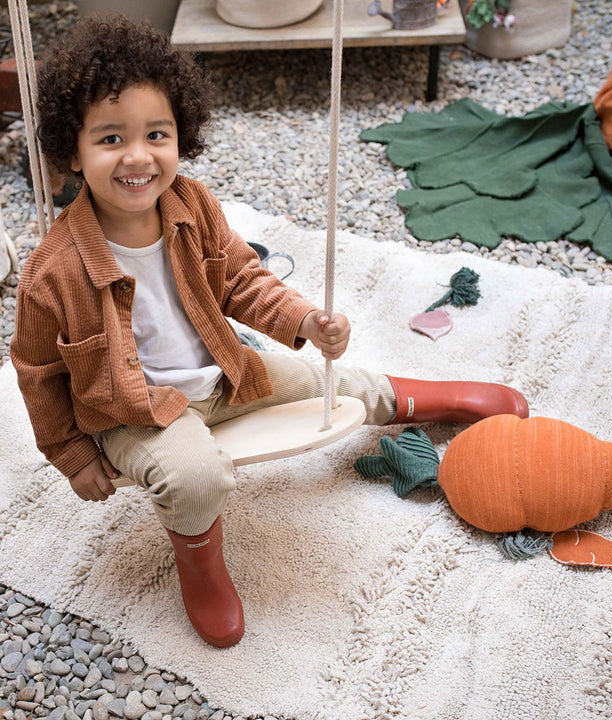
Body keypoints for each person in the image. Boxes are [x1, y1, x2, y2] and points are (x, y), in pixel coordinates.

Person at [10, 14, 529, 648]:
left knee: (317, 382)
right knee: (195, 477)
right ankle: (200, 563)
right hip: (136, 412)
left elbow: (243, 281)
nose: (139, 156)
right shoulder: (52, 272)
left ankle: (415, 398)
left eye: (157, 134)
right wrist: (69, 455)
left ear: (182, 137)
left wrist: (305, 319)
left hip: (223, 371)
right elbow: (37, 372)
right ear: (72, 150)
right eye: (111, 138)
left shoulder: (192, 206)